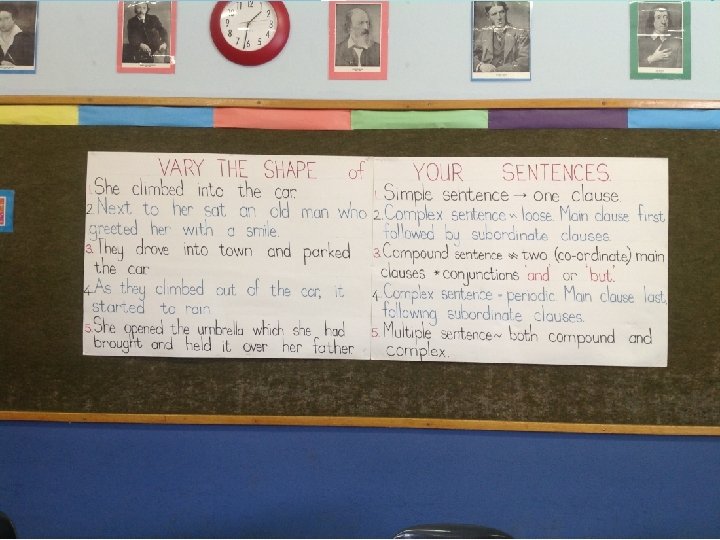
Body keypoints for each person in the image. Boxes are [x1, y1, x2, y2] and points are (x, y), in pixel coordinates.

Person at [473, 1, 529, 73]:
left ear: (506, 13)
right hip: (486, 76)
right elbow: (471, 56)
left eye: (501, 12)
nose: (499, 17)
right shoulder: (483, 34)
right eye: (494, 14)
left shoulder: (520, 33)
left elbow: (525, 61)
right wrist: (481, 66)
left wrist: (497, 70)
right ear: (488, 17)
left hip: (510, 76)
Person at [0, 3, 34, 67]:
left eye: (6, 18)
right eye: (0, 19)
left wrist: (16, 67)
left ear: (14, 19)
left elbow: (31, 65)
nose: (2, 23)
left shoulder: (26, 38)